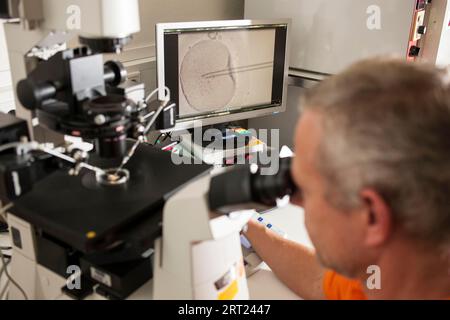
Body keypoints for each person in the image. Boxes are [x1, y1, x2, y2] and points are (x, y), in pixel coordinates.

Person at [244, 58, 450, 300]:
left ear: (372, 216)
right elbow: (318, 280)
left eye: (305, 189)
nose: (294, 200)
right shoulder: (386, 277)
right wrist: (246, 223)